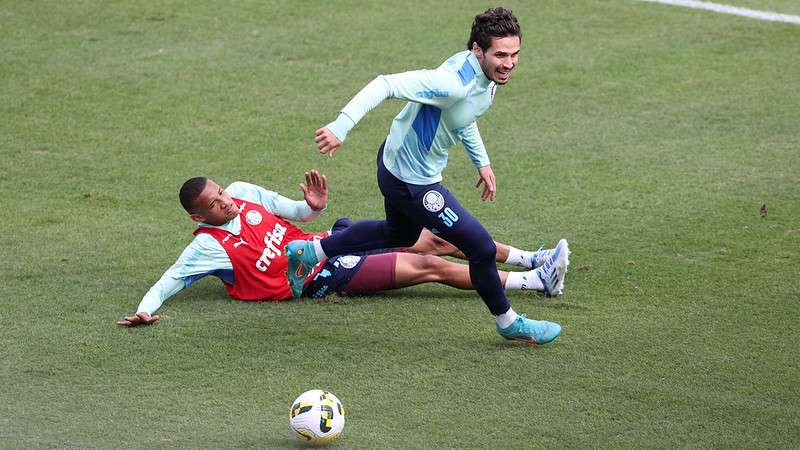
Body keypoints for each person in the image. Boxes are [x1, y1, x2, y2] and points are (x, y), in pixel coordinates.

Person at [285, 7, 567, 345]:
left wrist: (482, 161)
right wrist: (340, 127)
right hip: (412, 182)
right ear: (478, 50)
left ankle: (310, 252)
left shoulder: (486, 76)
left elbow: (464, 117)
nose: (509, 63)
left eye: (515, 54)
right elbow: (385, 84)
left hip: (396, 165)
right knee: (478, 246)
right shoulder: (451, 84)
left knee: (398, 233)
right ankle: (509, 323)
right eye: (501, 54)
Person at [118, 171, 568, 328]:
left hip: (321, 245)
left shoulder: (243, 193)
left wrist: (312, 206)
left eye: (220, 191)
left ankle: (533, 259)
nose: (225, 200)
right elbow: (169, 279)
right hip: (315, 278)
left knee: (435, 235)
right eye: (213, 204)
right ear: (199, 217)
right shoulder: (206, 248)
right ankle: (535, 283)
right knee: (427, 263)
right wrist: (144, 309)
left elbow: (292, 208)